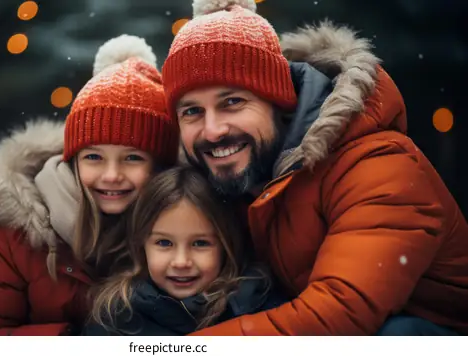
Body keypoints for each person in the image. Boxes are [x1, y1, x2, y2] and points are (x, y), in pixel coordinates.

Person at [161, 0, 468, 335]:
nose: (213, 130)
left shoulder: (377, 166)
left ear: (280, 103)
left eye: (232, 102)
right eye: (192, 111)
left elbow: (336, 317)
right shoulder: (223, 178)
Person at [0, 34, 180, 336]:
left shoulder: (181, 231)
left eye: (132, 158)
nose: (111, 175)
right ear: (72, 159)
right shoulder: (15, 236)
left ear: (159, 166)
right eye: (94, 157)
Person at [81, 166, 287, 336]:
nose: (181, 262)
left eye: (200, 244)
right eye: (164, 243)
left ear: (226, 245)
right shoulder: (114, 318)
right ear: (142, 245)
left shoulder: (260, 306)